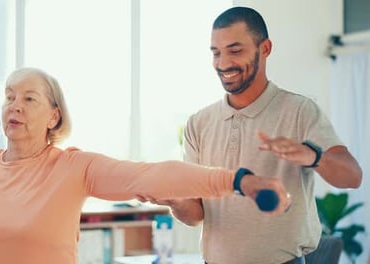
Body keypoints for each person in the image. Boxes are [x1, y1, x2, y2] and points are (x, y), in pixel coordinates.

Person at [0, 67, 290, 264]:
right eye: (9, 96)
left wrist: (237, 180)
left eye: (29, 99)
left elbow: (150, 173)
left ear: (53, 115)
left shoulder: (73, 169)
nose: (14, 105)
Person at [137, 6, 362, 264]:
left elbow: (352, 176)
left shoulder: (300, 111)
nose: (223, 63)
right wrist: (175, 201)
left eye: (235, 51)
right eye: (216, 53)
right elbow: (196, 214)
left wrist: (313, 155)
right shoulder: (199, 123)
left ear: (264, 48)